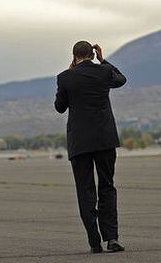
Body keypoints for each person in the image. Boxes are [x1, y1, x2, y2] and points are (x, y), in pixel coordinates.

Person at [54, 41, 127, 253]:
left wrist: (70, 75)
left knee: (85, 190)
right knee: (107, 186)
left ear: (74, 55)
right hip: (104, 140)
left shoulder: (65, 77)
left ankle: (94, 243)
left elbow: (60, 107)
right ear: (92, 54)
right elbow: (121, 79)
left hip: (79, 143)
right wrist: (104, 60)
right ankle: (112, 238)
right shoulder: (104, 71)